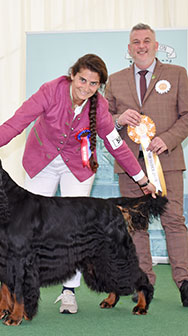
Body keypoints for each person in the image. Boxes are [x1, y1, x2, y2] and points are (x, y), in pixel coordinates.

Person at [0, 53, 155, 313]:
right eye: (82, 80)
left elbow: (117, 146)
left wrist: (142, 179)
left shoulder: (100, 107)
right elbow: (16, 123)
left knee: (76, 234)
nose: (86, 88)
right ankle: (15, 293)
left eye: (94, 84)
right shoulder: (50, 91)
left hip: (78, 168)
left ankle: (69, 293)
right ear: (72, 75)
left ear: (99, 86)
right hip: (42, 161)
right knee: (21, 234)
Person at [105, 23, 188, 307]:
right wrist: (117, 120)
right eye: (136, 42)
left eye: (146, 41)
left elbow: (187, 115)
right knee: (136, 227)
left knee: (174, 222)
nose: (141, 46)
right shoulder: (114, 80)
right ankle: (143, 284)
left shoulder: (178, 74)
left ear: (155, 45)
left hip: (167, 163)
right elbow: (103, 121)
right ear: (129, 49)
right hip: (130, 167)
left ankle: (185, 282)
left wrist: (167, 138)